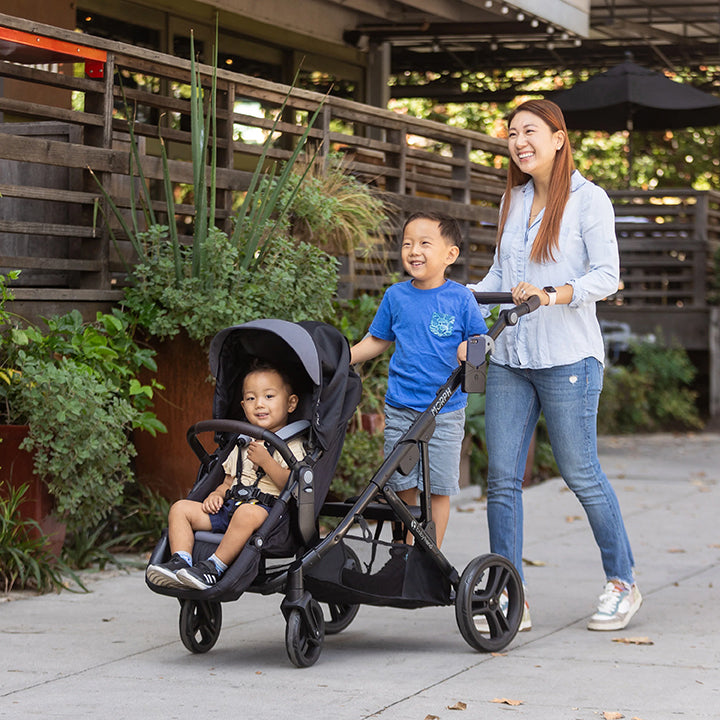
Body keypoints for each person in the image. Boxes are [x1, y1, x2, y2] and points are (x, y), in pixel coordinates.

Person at [466, 98, 641, 632]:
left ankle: (622, 582)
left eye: (531, 131)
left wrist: (553, 294)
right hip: (512, 357)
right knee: (501, 479)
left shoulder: (590, 200)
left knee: (580, 472)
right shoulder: (512, 201)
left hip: (568, 358)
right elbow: (501, 270)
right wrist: (456, 297)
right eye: (513, 133)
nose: (520, 141)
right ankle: (508, 595)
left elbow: (607, 276)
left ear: (559, 137)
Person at [350, 211, 488, 549]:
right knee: (402, 484)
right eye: (408, 243)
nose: (414, 250)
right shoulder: (396, 296)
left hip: (445, 410)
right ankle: (408, 550)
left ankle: (430, 555)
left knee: (438, 488)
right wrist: (344, 357)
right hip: (401, 407)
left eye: (425, 243)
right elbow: (379, 339)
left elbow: (482, 341)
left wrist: (468, 348)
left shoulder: (460, 299)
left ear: (449, 255)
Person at [146, 359, 304, 590]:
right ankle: (180, 561)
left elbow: (294, 486)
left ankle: (213, 568)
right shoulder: (241, 444)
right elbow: (229, 481)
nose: (259, 404)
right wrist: (217, 495)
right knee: (180, 508)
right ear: (243, 405)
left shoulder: (292, 446)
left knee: (246, 513)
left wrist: (267, 462)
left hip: (269, 517)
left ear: (291, 404)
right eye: (251, 398)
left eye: (269, 397)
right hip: (230, 508)